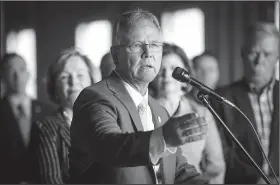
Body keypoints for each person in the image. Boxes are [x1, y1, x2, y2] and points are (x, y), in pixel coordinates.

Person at [69, 8, 209, 184]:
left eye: (155, 45)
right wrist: (164, 137)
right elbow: (110, 146)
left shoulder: (159, 110)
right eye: (136, 45)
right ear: (116, 55)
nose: (148, 52)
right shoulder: (95, 97)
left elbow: (178, 171)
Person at [211, 22, 279, 184]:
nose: (259, 61)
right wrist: (257, 180)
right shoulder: (220, 99)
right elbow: (222, 152)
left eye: (267, 54)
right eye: (253, 53)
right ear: (242, 53)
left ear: (277, 57)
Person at [152, 43, 225, 184]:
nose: (167, 75)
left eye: (173, 69)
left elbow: (216, 166)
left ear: (185, 75)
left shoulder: (201, 112)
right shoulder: (143, 110)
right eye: (161, 69)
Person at [29, 48, 97, 183]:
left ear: (92, 81)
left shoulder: (108, 121)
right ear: (54, 86)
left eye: (80, 75)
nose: (73, 82)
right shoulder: (45, 128)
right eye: (64, 76)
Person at [0, 53, 54, 183]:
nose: (17, 76)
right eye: (11, 71)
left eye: (22, 69)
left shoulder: (47, 111)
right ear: (2, 76)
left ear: (29, 74)